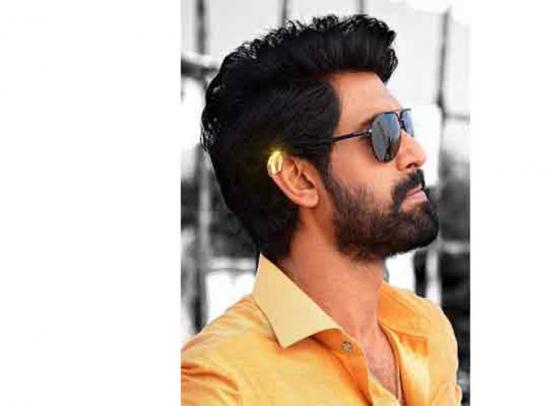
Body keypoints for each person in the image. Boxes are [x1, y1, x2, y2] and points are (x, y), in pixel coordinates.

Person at [182, 14, 462, 405]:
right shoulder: (219, 385)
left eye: (406, 125)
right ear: (299, 178)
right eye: (383, 134)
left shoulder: (426, 330)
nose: (416, 152)